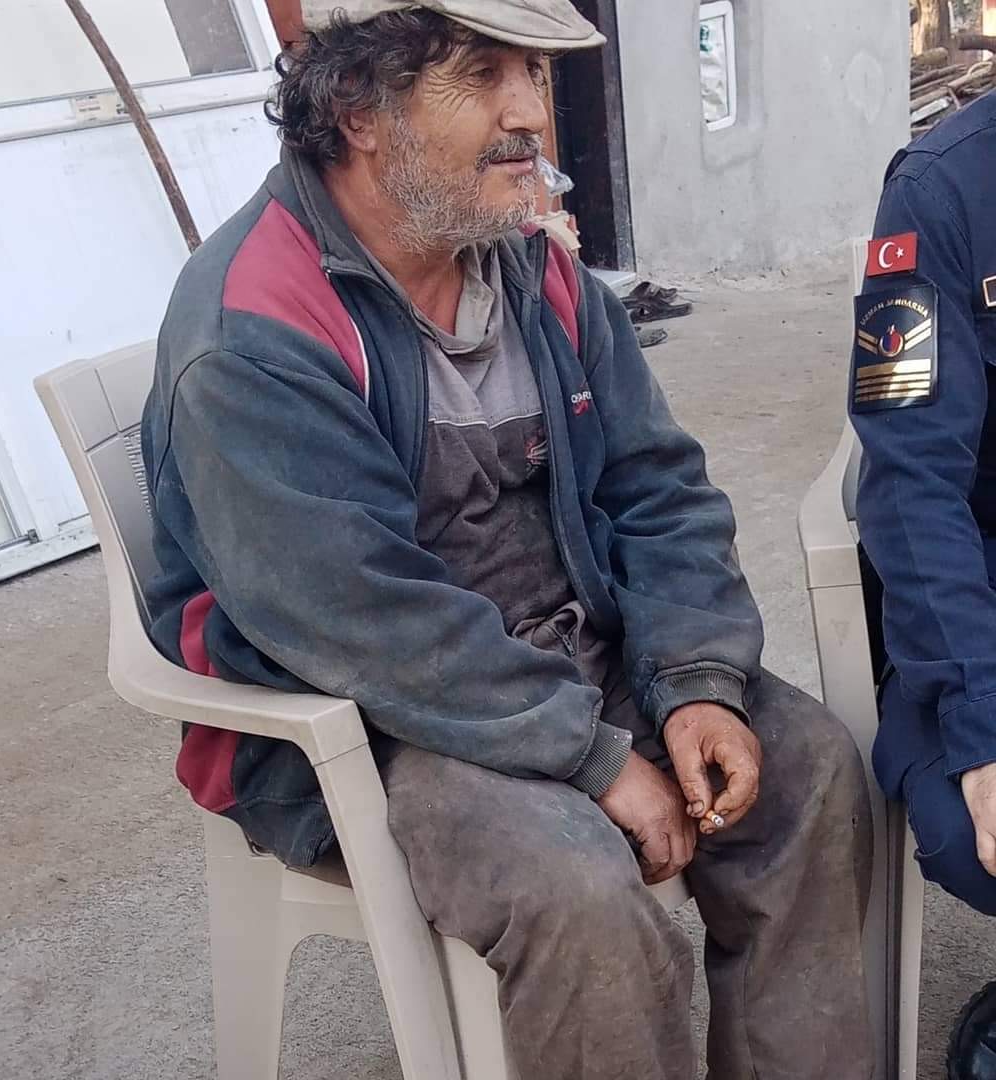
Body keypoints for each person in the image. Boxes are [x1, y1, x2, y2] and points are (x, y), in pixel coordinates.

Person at [141, 2, 873, 1076]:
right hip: (378, 722)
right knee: (577, 893)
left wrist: (697, 682)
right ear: (358, 109)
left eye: (532, 71)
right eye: (483, 74)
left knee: (809, 774)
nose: (531, 111)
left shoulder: (532, 264)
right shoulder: (254, 331)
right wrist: (594, 755)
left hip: (566, 651)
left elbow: (655, 484)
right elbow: (362, 620)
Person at [851, 90, 996, 1079]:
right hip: (978, 608)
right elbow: (912, 481)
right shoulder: (940, 193)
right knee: (966, 826)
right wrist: (985, 731)